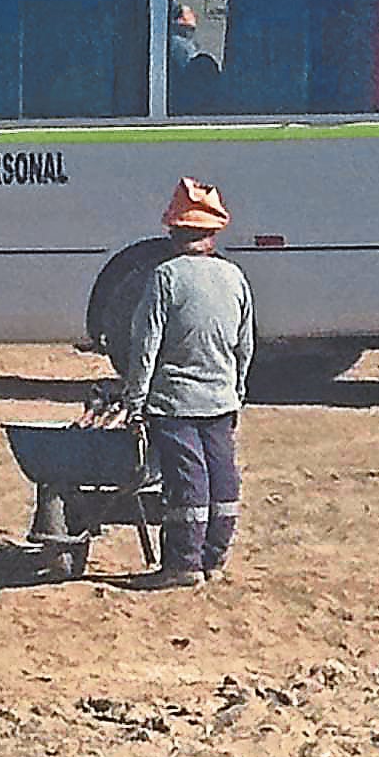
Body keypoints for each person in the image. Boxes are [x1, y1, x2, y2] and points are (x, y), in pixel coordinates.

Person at [109, 179, 256, 587]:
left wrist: (135, 401)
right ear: (213, 232)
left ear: (174, 231)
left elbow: (145, 346)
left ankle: (182, 565)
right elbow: (244, 345)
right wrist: (236, 393)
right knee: (222, 481)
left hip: (174, 404)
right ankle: (213, 559)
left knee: (187, 484)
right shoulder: (234, 277)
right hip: (221, 400)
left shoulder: (164, 278)